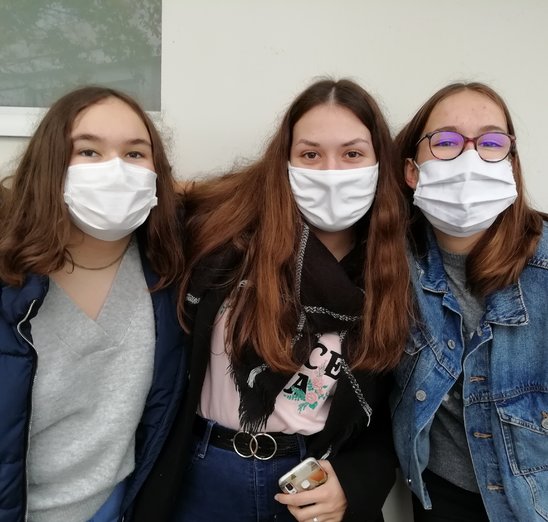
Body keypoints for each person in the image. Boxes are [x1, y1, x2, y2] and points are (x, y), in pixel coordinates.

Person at [132, 78, 411, 522]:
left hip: (312, 482)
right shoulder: (226, 237)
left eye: (352, 153)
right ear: (285, 160)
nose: (331, 172)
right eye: (310, 154)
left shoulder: (398, 268)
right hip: (205, 474)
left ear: (381, 162)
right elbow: (151, 202)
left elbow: (395, 412)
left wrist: (353, 484)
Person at [0, 86, 187, 522]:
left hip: (117, 507)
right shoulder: (10, 278)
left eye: (135, 154)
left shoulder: (169, 269)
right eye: (88, 151)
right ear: (52, 166)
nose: (115, 171)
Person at [391, 82, 548, 521]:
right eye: (446, 142)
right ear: (412, 171)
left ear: (512, 165)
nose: (471, 157)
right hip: (441, 501)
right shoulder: (391, 263)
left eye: (492, 142)